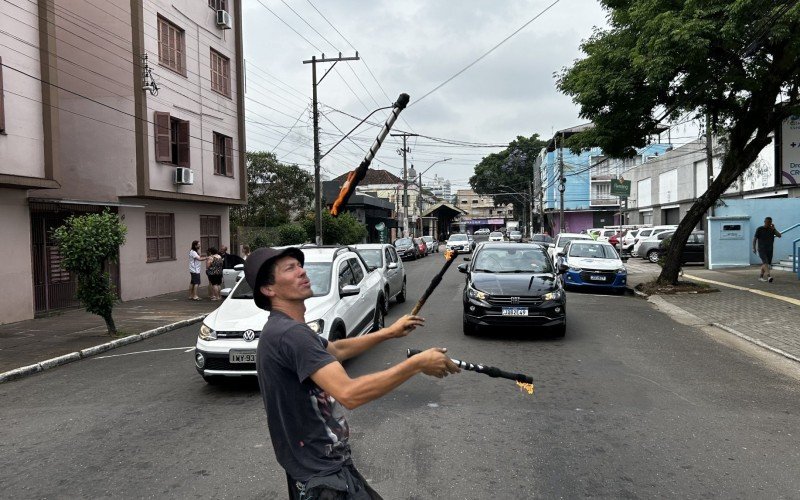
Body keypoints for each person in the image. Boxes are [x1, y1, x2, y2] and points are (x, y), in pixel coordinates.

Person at [245, 247, 460, 499]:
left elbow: (334, 349)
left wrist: (389, 332)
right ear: (268, 289)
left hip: (311, 469)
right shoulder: (291, 335)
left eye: (299, 265)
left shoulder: (282, 329)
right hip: (323, 477)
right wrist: (416, 364)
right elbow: (350, 393)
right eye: (290, 269)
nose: (302, 271)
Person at [753, 217, 782, 282]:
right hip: (761, 249)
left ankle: (760, 277)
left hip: (770, 249)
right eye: (768, 222)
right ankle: (769, 276)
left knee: (765, 264)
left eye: (770, 222)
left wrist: (774, 229)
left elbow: (779, 235)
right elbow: (755, 239)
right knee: (765, 262)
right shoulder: (759, 229)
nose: (769, 223)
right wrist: (754, 248)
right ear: (764, 222)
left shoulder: (772, 229)